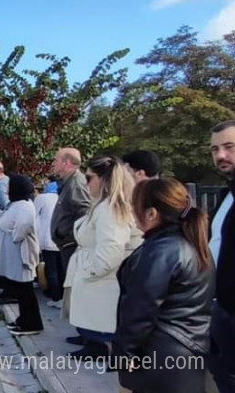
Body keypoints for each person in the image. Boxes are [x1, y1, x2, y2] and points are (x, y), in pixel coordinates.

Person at [113, 178, 214, 392]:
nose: (132, 213)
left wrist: (125, 353)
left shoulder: (160, 251)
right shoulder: (195, 245)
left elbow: (140, 309)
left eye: (134, 207)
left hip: (160, 353)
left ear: (151, 214)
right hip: (190, 348)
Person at [64, 156, 142, 360]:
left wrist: (89, 271)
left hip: (103, 282)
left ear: (103, 179)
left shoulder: (109, 209)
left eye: (89, 178)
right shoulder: (103, 205)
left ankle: (105, 350)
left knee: (103, 327)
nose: (85, 182)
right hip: (98, 279)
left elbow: (111, 250)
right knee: (95, 325)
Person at [0, 174, 43, 335]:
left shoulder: (24, 206)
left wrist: (15, 236)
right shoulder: (15, 205)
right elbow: (2, 218)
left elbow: (23, 225)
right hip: (14, 254)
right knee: (21, 291)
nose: (6, 188)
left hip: (22, 254)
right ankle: (24, 319)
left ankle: (31, 324)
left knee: (25, 291)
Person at [209, 120, 235, 392]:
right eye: (215, 149)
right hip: (220, 307)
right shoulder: (225, 195)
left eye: (229, 147)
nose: (221, 156)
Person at [49, 148, 92, 296]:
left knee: (76, 292)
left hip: (73, 246)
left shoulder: (76, 183)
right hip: (67, 246)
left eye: (56, 160)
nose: (53, 164)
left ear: (66, 163)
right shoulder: (68, 182)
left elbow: (85, 212)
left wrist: (72, 236)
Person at [35, 182, 62, 308]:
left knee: (51, 269)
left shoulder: (42, 198)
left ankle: (54, 295)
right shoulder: (62, 197)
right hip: (62, 239)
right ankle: (61, 296)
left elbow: (34, 214)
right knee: (61, 268)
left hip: (47, 238)